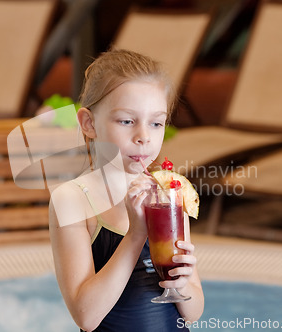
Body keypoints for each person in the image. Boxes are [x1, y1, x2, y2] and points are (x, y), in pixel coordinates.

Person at [49, 49, 204, 332]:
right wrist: (136, 234)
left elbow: (193, 313)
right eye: (127, 121)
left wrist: (184, 280)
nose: (144, 136)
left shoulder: (168, 192)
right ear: (89, 123)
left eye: (156, 123)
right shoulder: (72, 200)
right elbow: (86, 316)